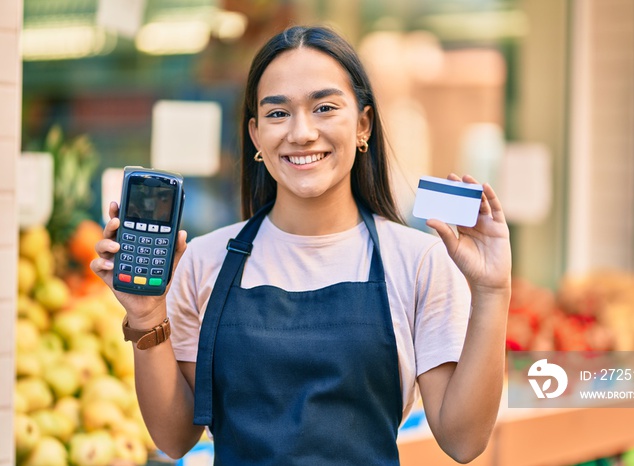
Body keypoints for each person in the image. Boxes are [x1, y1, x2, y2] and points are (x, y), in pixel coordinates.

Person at [92, 25, 511, 465]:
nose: (302, 132)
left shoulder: (418, 261)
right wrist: (146, 315)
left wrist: (492, 291)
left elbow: (463, 441)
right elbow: (174, 438)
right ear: (255, 136)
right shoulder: (204, 259)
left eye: (325, 107)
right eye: (277, 114)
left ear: (363, 123)